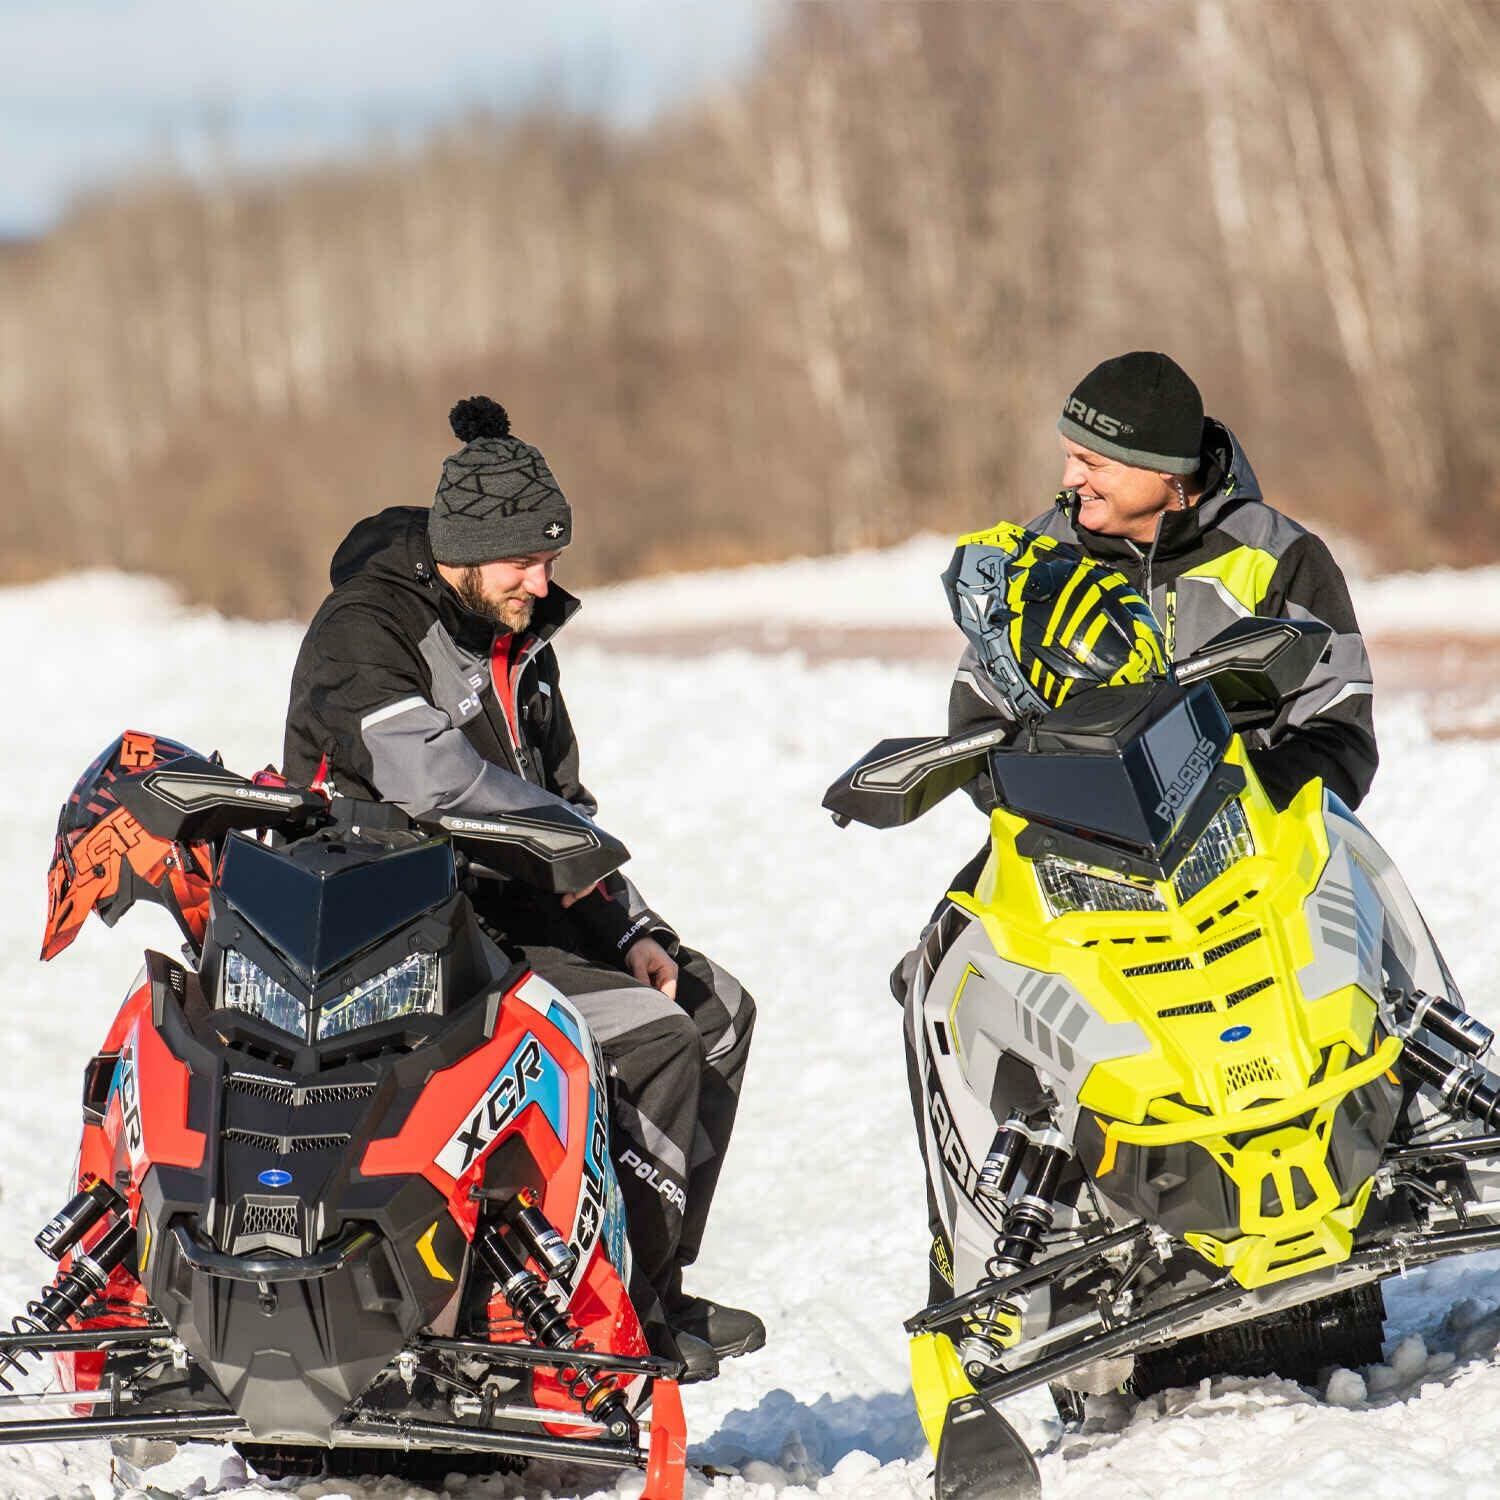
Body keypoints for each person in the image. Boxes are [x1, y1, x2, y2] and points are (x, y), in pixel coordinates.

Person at [283, 395, 761, 1381]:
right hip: (390, 941)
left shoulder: (519, 646)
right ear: (461, 551)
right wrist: (565, 848)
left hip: (501, 918)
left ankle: (648, 1285)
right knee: (655, 1037)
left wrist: (632, 922)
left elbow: (562, 803)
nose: (542, 585)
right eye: (522, 564)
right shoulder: (363, 632)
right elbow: (429, 777)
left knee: (713, 1009)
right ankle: (608, 1316)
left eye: (551, 560)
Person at [897, 350, 1379, 1302]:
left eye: (1097, 462)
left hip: (1253, 834)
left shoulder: (1276, 556)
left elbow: (1340, 720)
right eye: (1070, 454)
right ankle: (990, 1248)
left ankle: (1413, 1095)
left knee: (1363, 882)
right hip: (1078, 848)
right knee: (935, 971)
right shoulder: (1033, 562)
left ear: (1170, 474)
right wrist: (1040, 807)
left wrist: (1250, 799)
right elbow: (974, 721)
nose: (1072, 477)